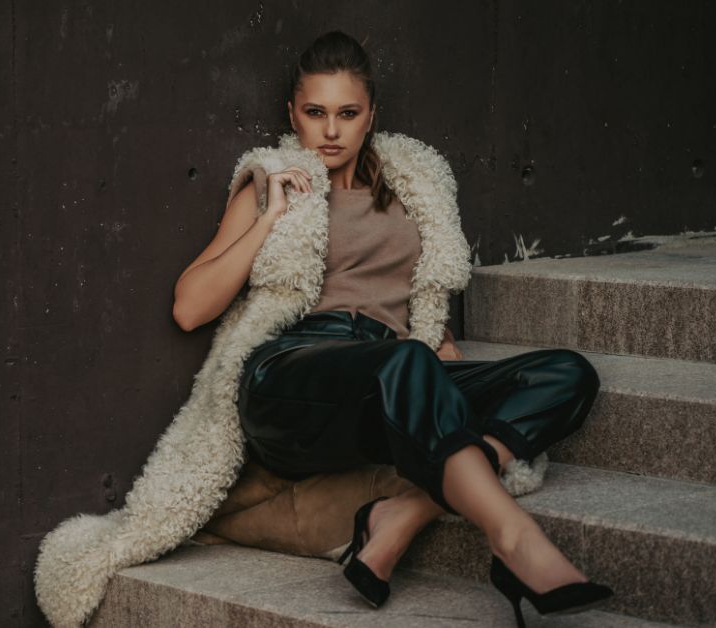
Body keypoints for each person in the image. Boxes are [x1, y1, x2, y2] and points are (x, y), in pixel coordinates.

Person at [171, 31, 613, 626]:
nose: (331, 131)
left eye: (348, 114)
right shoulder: (273, 184)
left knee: (567, 372)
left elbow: (425, 305)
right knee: (406, 360)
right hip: (293, 379)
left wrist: (438, 356)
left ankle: (403, 512)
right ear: (292, 115)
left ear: (371, 115)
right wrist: (271, 214)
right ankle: (513, 538)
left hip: (391, 377)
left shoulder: (411, 189)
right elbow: (190, 308)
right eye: (316, 113)